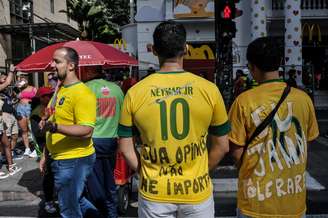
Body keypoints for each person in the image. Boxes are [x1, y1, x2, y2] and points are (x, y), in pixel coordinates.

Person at [118, 21, 230, 218]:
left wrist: (145, 173)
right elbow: (222, 146)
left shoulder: (134, 93)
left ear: (153, 50)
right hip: (197, 192)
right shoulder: (209, 90)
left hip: (154, 193)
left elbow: (126, 148)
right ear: (186, 49)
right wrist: (201, 171)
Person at [228, 37, 319, 218]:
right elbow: (308, 141)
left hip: (255, 202)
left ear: (252, 67)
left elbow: (236, 150)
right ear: (280, 63)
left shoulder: (243, 102)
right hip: (294, 202)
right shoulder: (303, 99)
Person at [39, 47, 98, 218]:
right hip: (60, 157)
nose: (52, 65)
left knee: (68, 209)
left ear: (71, 65)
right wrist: (46, 154)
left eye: (57, 61)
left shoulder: (82, 93)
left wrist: (55, 127)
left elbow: (86, 130)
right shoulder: (61, 89)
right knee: (75, 201)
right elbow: (52, 119)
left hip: (73, 159)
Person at [85, 71, 124, 218]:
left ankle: (99, 213)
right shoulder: (117, 89)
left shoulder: (87, 88)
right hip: (112, 141)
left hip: (92, 140)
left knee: (94, 184)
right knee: (109, 181)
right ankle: (111, 213)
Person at [31, 87, 56, 214]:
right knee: (48, 175)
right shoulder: (36, 112)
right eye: (46, 96)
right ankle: (48, 201)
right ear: (40, 98)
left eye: (50, 95)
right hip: (44, 146)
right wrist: (47, 125)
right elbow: (38, 133)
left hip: (54, 144)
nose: (48, 97)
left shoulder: (52, 107)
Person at [0, 65, 22, 179]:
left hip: (0, 123)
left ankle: (11, 166)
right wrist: (11, 71)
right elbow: (8, 81)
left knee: (7, 144)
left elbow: (7, 82)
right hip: (2, 120)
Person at [16, 72, 37, 157]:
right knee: (24, 130)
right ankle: (27, 149)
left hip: (29, 108)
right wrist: (18, 88)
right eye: (21, 80)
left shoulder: (33, 88)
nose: (22, 81)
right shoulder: (19, 89)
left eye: (24, 79)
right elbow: (15, 97)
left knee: (32, 129)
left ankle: (36, 148)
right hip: (20, 108)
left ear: (27, 80)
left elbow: (37, 98)